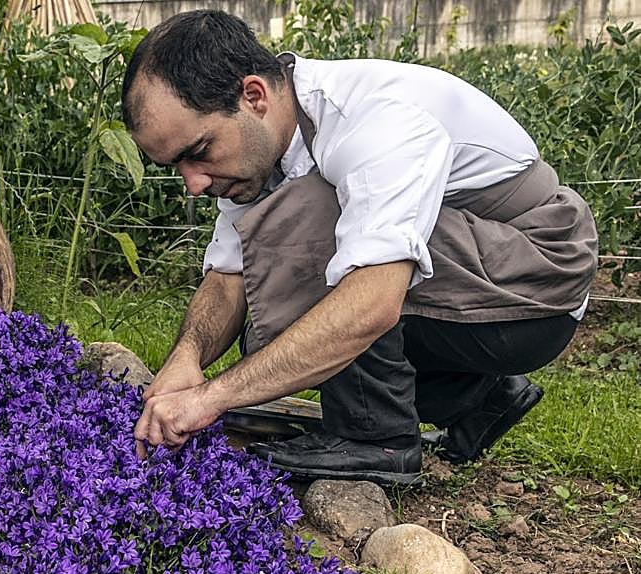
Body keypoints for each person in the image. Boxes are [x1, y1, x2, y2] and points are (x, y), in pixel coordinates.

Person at [124, 10, 598, 486]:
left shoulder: (367, 120)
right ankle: (479, 398)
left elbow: (371, 303)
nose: (193, 184)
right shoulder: (259, 151)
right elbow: (228, 276)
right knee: (271, 329)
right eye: (176, 166)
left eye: (198, 152)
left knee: (311, 241)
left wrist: (210, 399)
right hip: (476, 281)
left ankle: (376, 440)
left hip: (537, 277)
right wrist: (187, 359)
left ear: (254, 96)